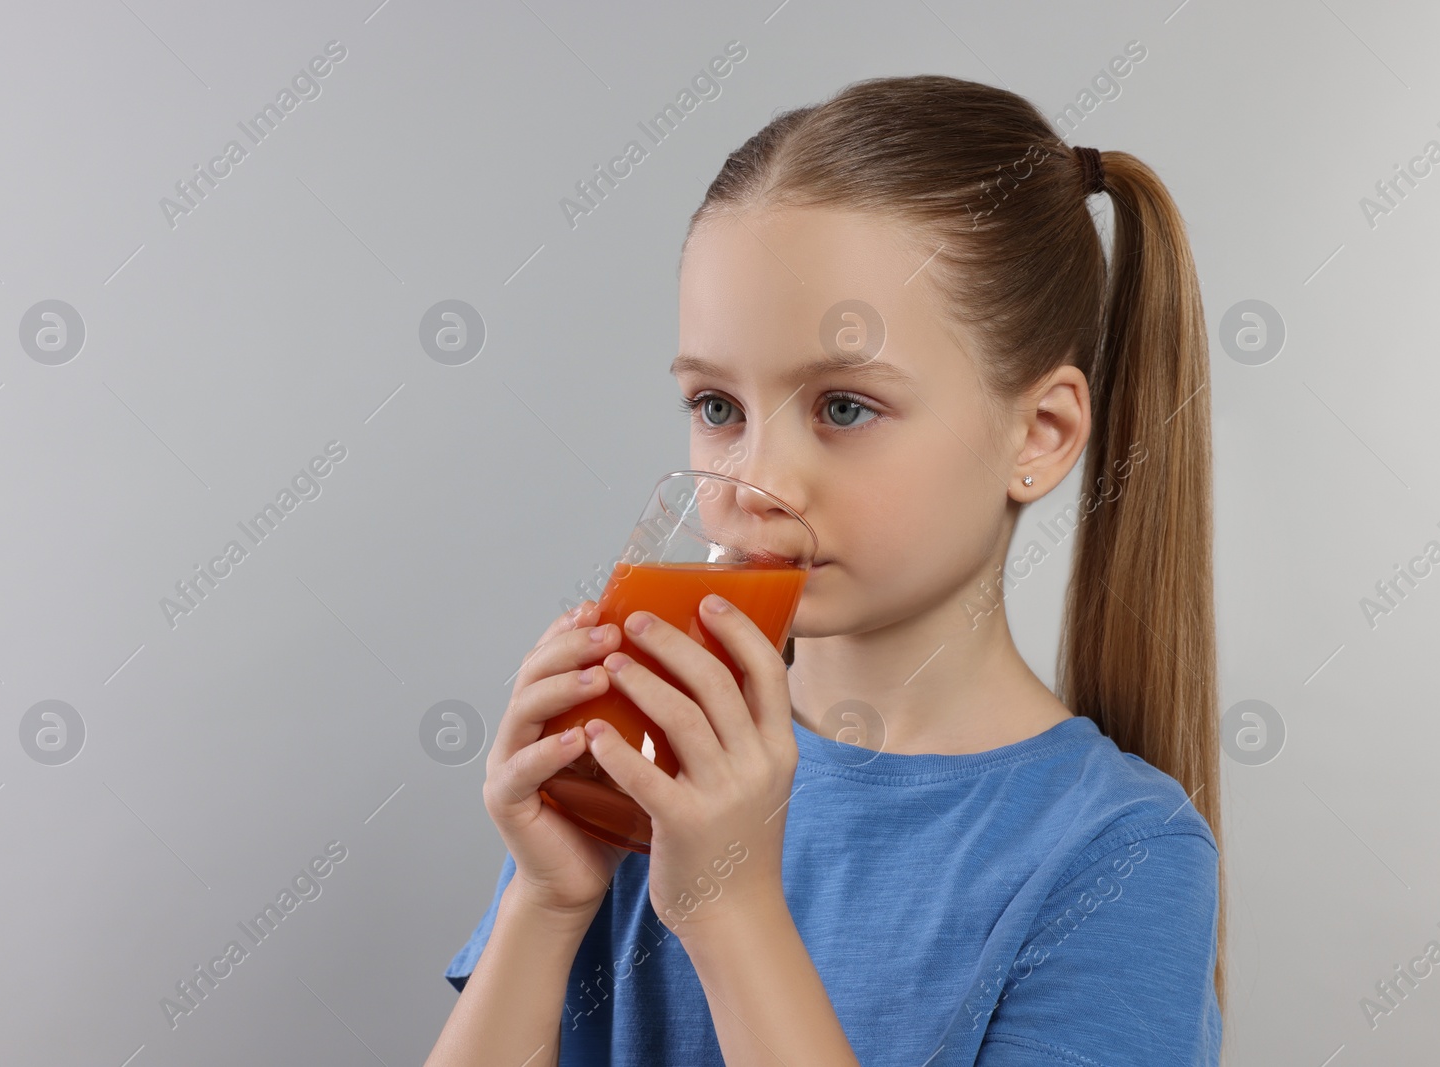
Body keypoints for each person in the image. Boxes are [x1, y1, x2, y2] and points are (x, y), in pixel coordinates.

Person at [427, 73, 1223, 1066]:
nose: (753, 481)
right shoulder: (656, 758)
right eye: (717, 406)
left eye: (842, 406)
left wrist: (732, 912)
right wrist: (548, 898)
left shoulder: (1118, 856)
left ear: (1042, 432)